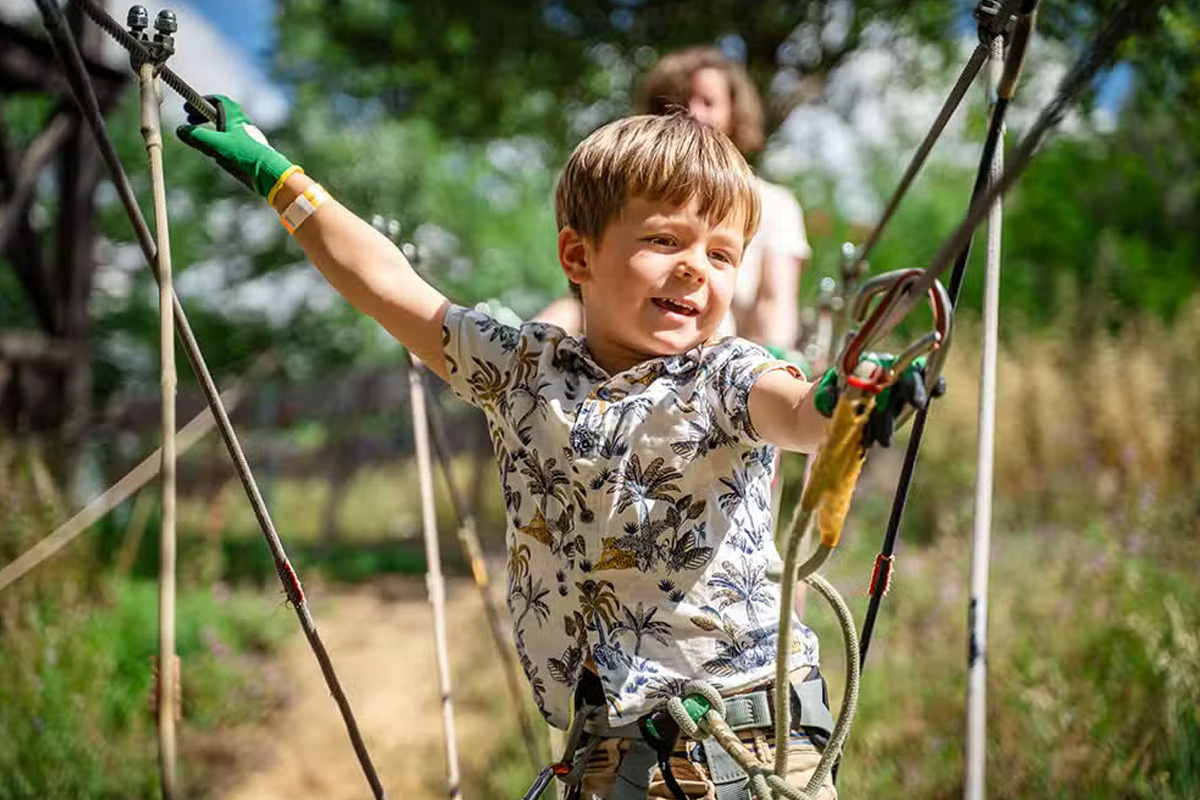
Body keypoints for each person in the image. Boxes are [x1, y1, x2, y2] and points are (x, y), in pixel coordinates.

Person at [177, 99, 930, 800]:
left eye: (723, 255)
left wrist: (848, 398)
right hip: (609, 749)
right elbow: (387, 285)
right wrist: (279, 178)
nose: (695, 268)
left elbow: (797, 413)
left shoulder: (727, 374)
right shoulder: (520, 368)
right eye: (664, 240)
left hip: (753, 742)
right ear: (578, 255)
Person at [537, 46, 810, 352]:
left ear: (734, 113)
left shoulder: (774, 204)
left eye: (708, 102)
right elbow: (586, 293)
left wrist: (770, 360)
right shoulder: (635, 190)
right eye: (676, 101)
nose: (692, 111)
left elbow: (775, 301)